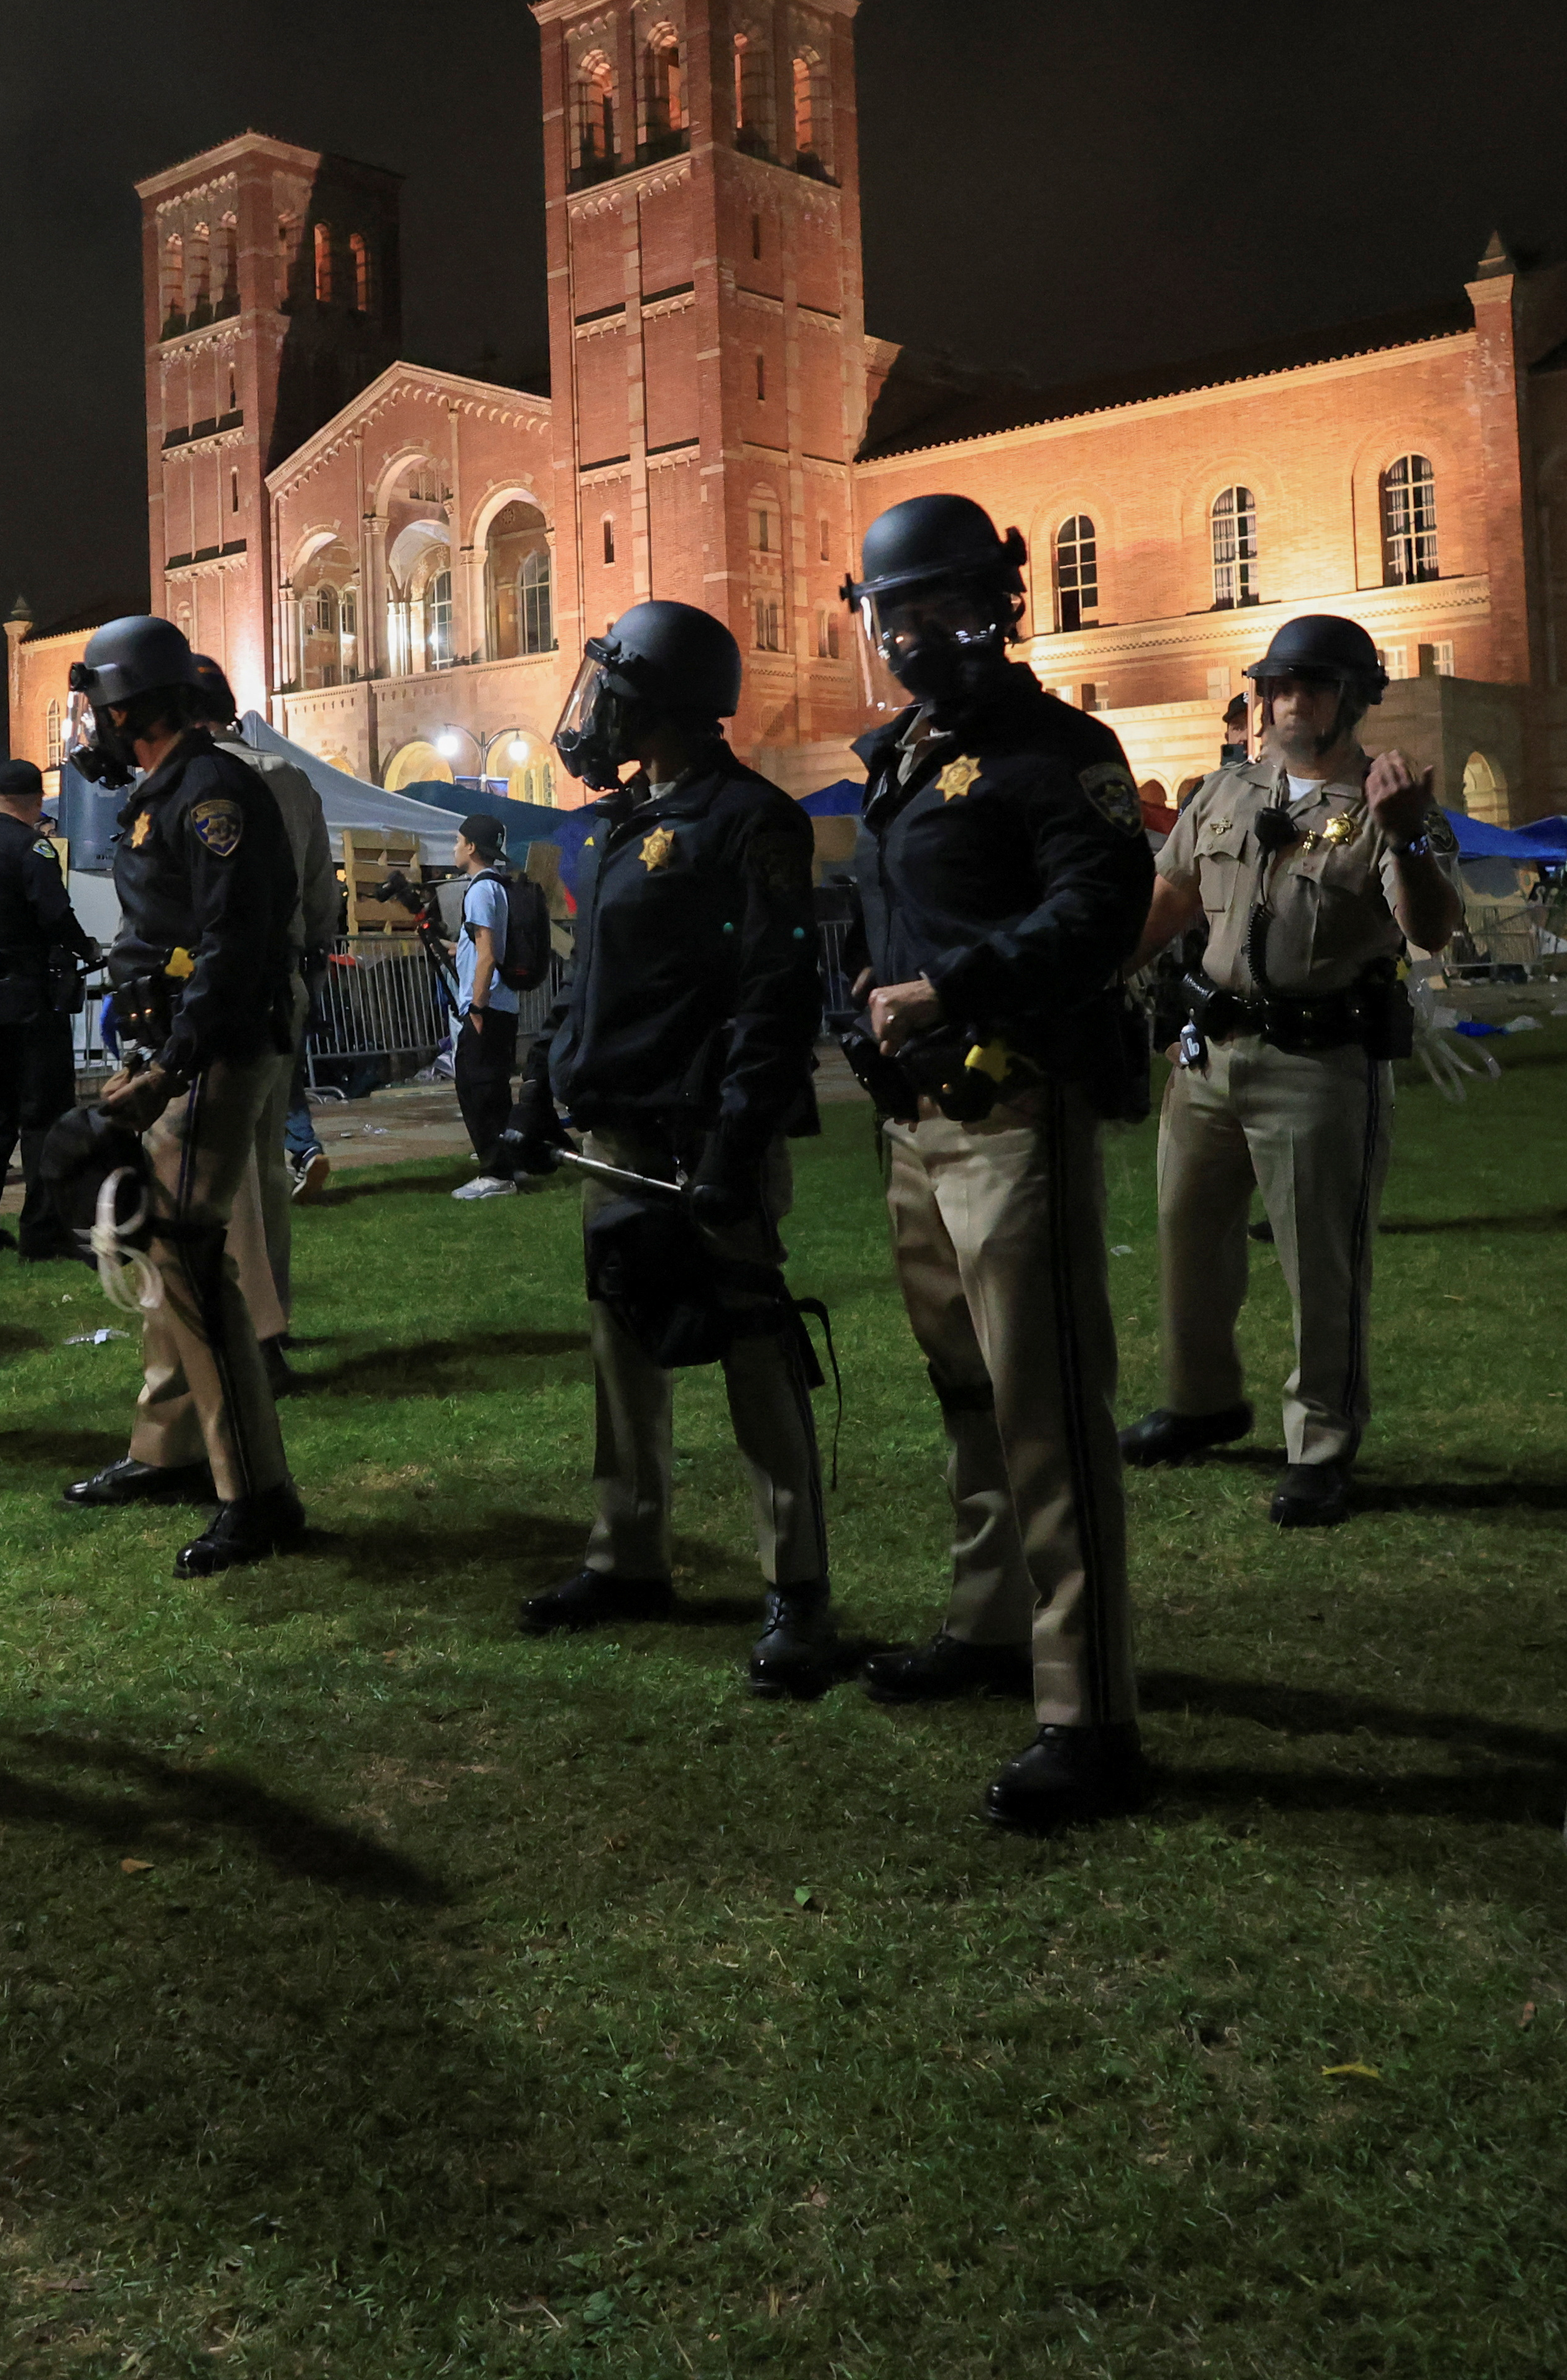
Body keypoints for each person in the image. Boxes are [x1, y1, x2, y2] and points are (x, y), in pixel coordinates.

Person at [840, 492, 1157, 1830]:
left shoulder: (1057, 748)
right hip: (920, 1120)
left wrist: (954, 987)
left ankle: (1089, 1709)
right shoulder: (906, 755)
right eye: (896, 610)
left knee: (1050, 1410)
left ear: (993, 603)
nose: (915, 632)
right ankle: (987, 1621)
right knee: (965, 1390)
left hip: (1017, 1107)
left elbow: (1103, 909)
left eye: (938, 605)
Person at [511, 599, 840, 1694]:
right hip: (619, 1134)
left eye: (615, 687)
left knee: (753, 1350)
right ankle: (627, 1553)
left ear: (666, 700)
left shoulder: (750, 821)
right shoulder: (613, 827)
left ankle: (796, 1585)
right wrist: (543, 1080)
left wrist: (740, 1138)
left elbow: (775, 991)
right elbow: (593, 980)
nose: (598, 710)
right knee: (624, 1354)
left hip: (706, 1135)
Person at [1118, 613, 1458, 1526]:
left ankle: (1322, 1440)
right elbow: (1169, 897)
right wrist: (1093, 973)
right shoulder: (1225, 792)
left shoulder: (1387, 800)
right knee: (1188, 1240)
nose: (1285, 701)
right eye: (1275, 685)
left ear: (1353, 696)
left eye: (1307, 684)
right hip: (1211, 1052)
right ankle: (1200, 1401)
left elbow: (1429, 930)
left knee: (1321, 1262)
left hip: (1320, 1062)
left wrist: (1410, 837)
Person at [54, 615, 307, 1578]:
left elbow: (232, 944)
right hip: (181, 1043)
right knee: (167, 1249)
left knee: (193, 1259)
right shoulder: (174, 789)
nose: (97, 727)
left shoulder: (211, 792)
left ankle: (257, 1489)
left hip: (212, 1050)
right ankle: (168, 1449)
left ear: (134, 706)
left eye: (103, 706)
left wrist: (177, 1059)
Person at [202, 670, 334, 1386]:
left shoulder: (196, 781)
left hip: (214, 983)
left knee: (215, 1166)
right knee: (264, 1159)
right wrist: (310, 963)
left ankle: (236, 1324)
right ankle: (271, 1316)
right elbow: (321, 885)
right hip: (280, 975)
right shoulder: (288, 777)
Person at [0, 756, 100, 1261]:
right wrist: (88, 948)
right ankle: (43, 1229)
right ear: (37, 802)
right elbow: (53, 913)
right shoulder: (31, 847)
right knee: (44, 1116)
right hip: (28, 998)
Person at [445, 815, 536, 1201]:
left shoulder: (480, 891)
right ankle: (508, 1163)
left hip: (487, 1006)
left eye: (458, 841)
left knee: (476, 1088)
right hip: (501, 1004)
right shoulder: (496, 887)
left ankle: (495, 1174)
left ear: (470, 847)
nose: (454, 847)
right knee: (491, 1087)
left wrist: (477, 1007)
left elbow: (486, 956)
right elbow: (483, 947)